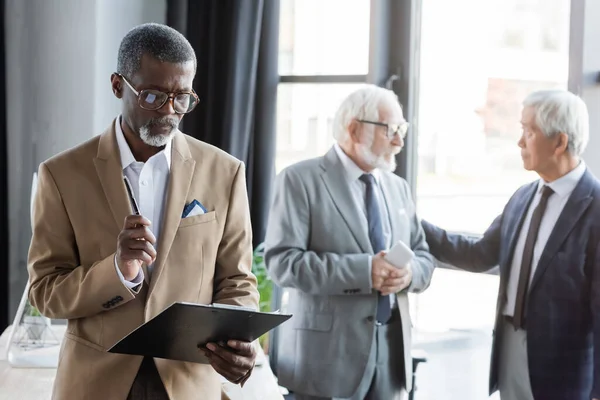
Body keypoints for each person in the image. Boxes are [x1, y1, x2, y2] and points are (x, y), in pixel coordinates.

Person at [27, 23, 259, 400]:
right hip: (94, 386)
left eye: (182, 97)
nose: (169, 111)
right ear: (118, 85)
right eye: (152, 95)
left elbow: (238, 281)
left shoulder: (225, 171)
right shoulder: (61, 175)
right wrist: (118, 271)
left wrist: (237, 338)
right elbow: (45, 291)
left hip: (189, 384)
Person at [421, 89, 600, 400]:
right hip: (509, 352)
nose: (519, 142)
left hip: (565, 373)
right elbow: (479, 255)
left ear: (559, 142)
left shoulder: (596, 208)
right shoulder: (523, 196)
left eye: (529, 131)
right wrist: (412, 226)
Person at [264, 85, 435, 400]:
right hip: (325, 362)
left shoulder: (398, 187)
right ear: (354, 129)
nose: (400, 141)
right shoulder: (299, 180)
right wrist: (364, 271)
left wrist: (409, 274)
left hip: (390, 360)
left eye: (402, 129)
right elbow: (282, 264)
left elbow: (424, 256)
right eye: (391, 130)